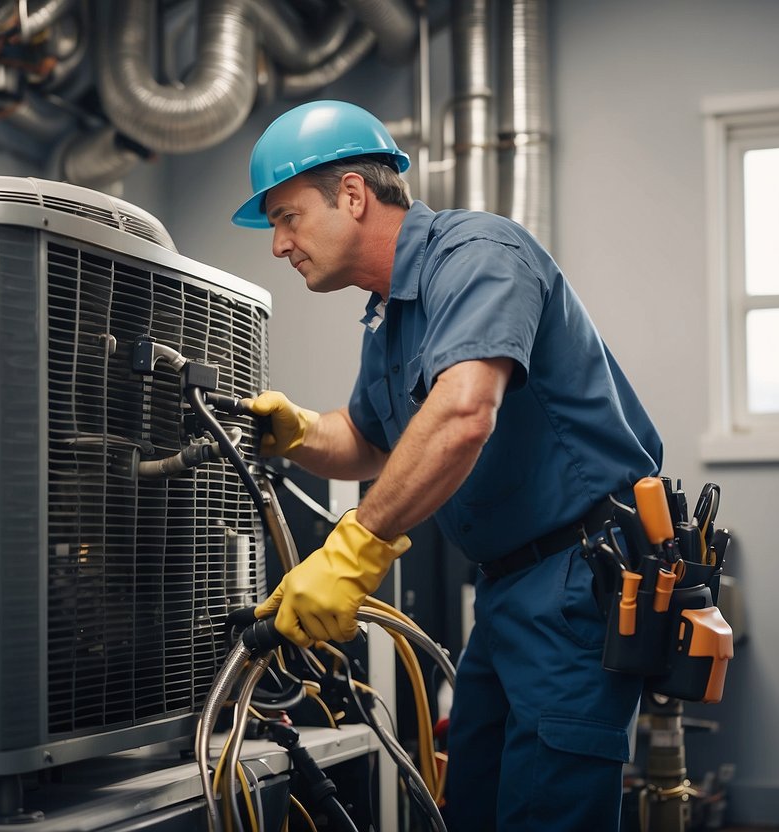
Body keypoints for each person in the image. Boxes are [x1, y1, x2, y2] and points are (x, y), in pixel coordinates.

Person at [232, 99, 662, 831]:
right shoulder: (390, 315)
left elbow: (463, 412)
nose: (278, 245)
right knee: (477, 800)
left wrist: (353, 550)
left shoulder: (479, 254)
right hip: (505, 590)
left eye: (286, 217)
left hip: (573, 579)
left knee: (547, 813)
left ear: (353, 195)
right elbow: (369, 441)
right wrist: (299, 431)